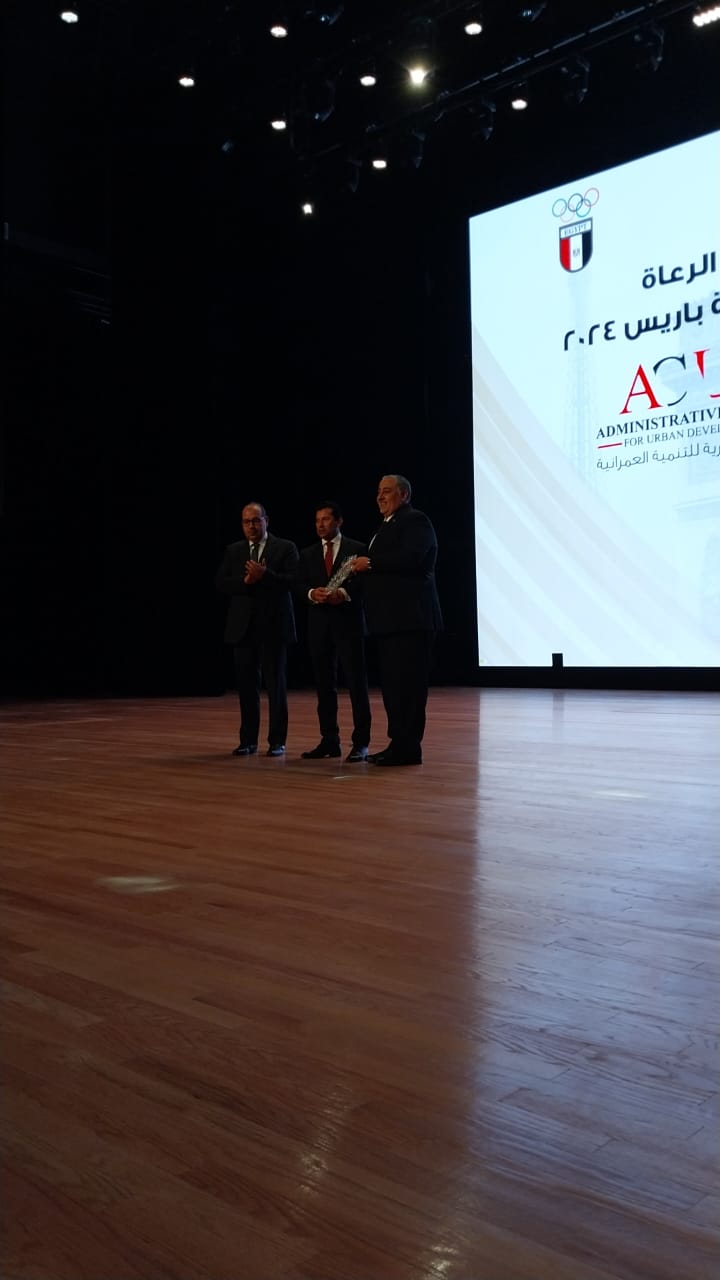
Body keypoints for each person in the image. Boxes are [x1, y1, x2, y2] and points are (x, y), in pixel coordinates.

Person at [352, 474, 442, 766]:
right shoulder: (386, 525)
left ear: (404, 495)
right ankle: (398, 743)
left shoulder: (416, 520)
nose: (380, 496)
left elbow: (412, 557)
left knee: (409, 687)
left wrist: (371, 563)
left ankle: (408, 747)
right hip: (389, 621)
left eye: (387, 491)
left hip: (411, 620)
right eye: (379, 491)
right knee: (393, 687)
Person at [216, 502, 299, 757]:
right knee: (246, 686)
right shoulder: (234, 550)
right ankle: (248, 740)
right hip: (243, 628)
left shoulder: (285, 547)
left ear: (266, 521)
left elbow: (294, 581)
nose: (251, 526)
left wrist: (266, 575)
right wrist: (245, 581)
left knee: (276, 686)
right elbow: (221, 583)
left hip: (273, 626)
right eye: (246, 522)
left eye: (255, 520)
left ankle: (277, 741)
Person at [296, 501, 371, 762]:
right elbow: (299, 585)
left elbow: (365, 585)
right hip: (319, 626)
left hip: (348, 624)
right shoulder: (307, 553)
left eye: (326, 519)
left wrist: (344, 593)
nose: (320, 525)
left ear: (339, 521)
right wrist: (311, 593)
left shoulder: (356, 549)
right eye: (317, 520)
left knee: (356, 685)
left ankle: (361, 743)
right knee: (324, 686)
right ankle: (329, 740)